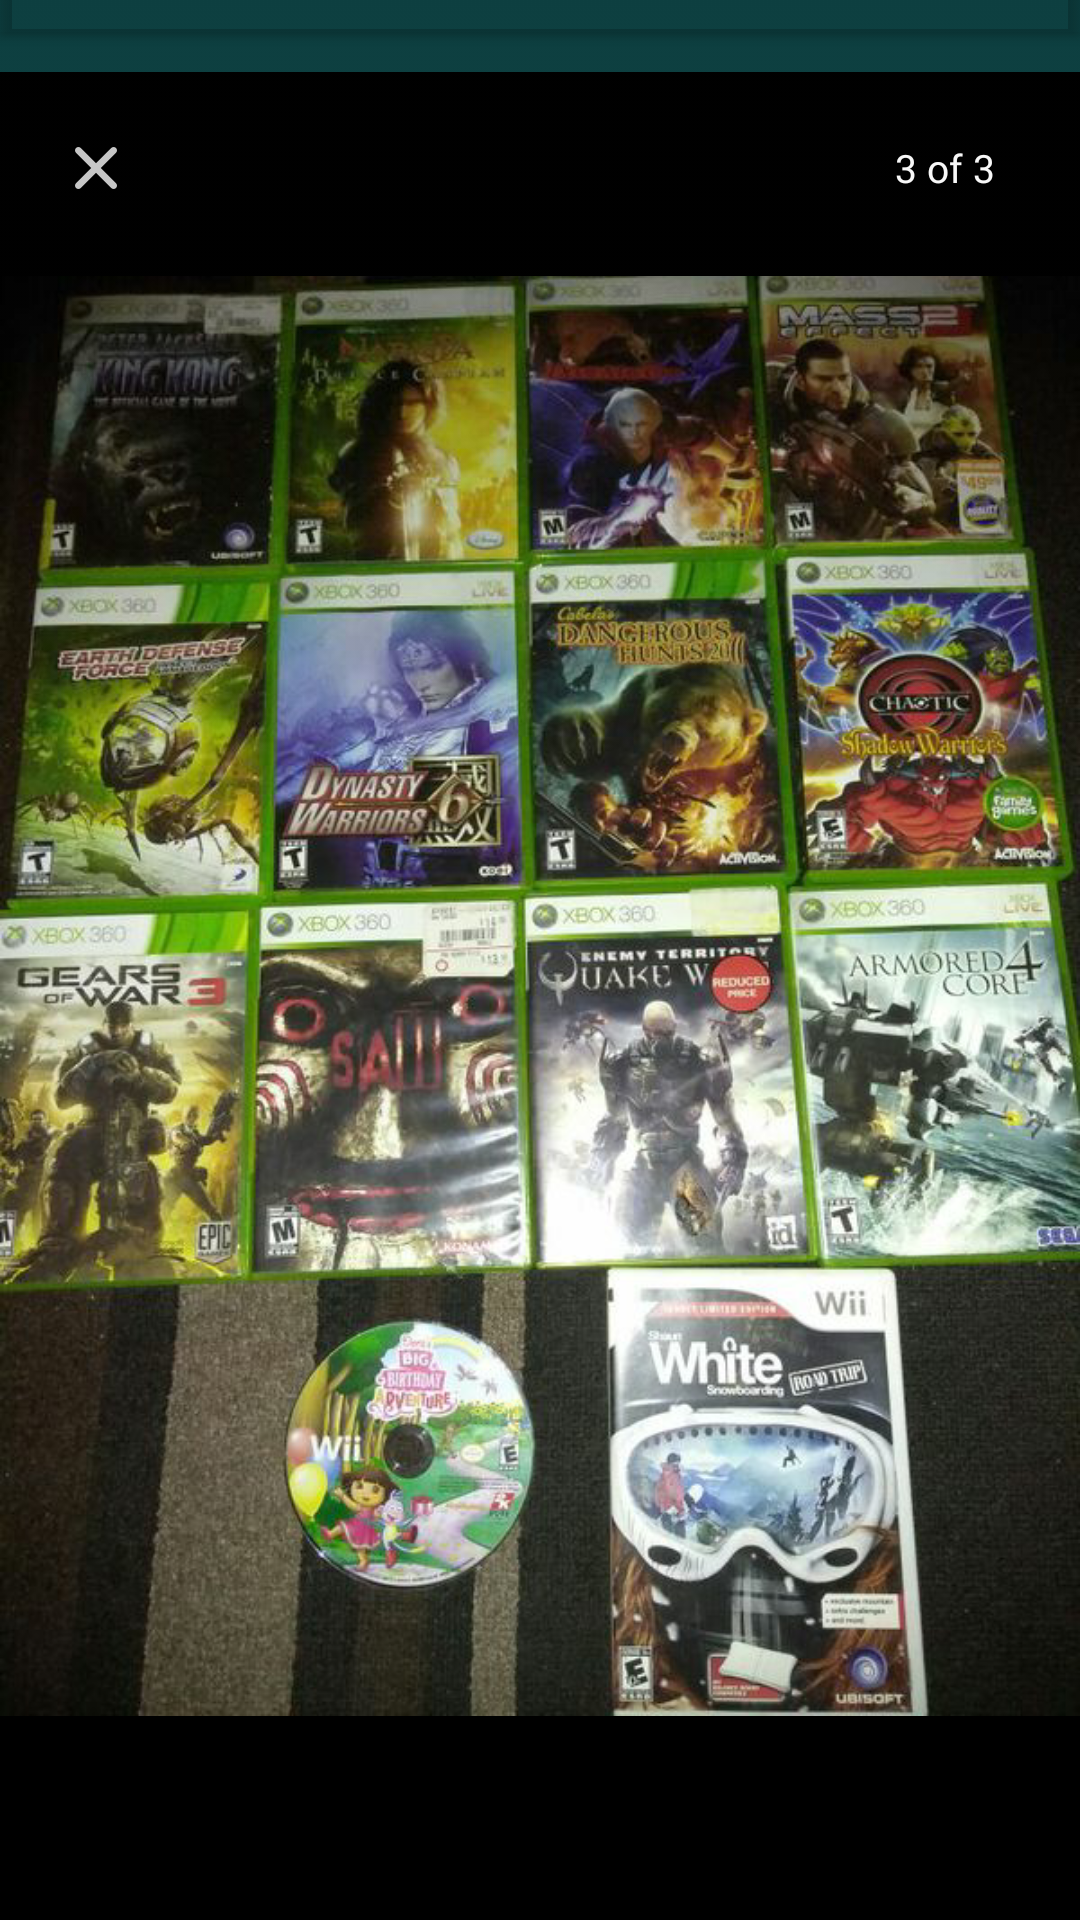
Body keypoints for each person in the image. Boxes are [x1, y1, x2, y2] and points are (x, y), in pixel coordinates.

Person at [329, 359, 462, 560]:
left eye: (411, 403)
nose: (401, 412)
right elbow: (354, 515)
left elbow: (452, 527)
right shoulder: (359, 453)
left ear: (429, 404)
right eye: (393, 403)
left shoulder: (443, 460)